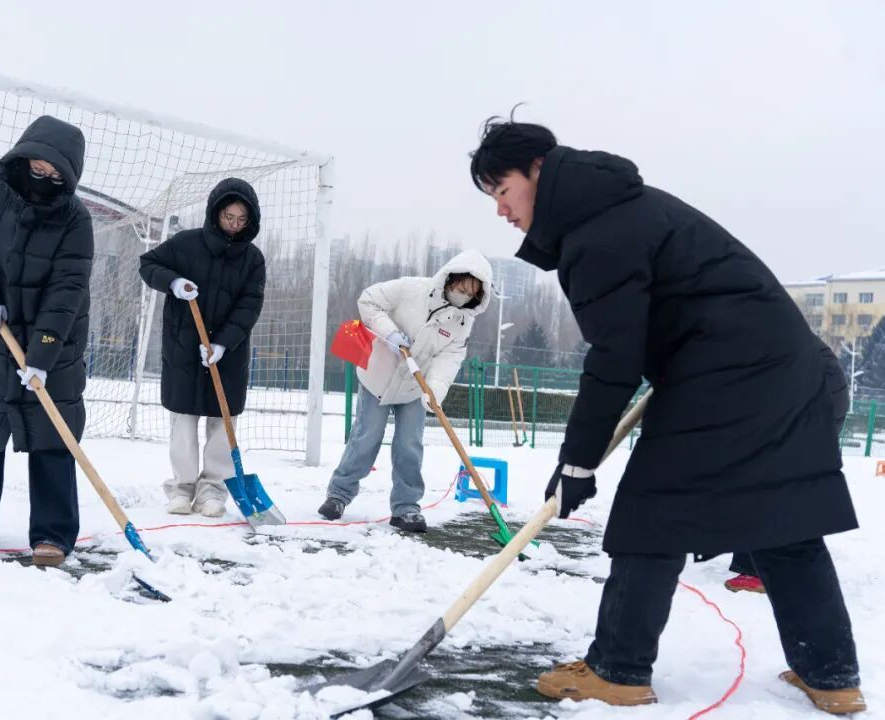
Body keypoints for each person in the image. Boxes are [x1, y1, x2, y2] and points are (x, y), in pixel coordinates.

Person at [470, 116, 865, 714]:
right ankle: (832, 675)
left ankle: (617, 669)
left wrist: (577, 459)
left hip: (727, 378)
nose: (501, 210)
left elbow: (615, 355)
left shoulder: (598, 232)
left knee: (651, 515)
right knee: (784, 520)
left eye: (502, 190)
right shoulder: (629, 207)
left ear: (540, 170)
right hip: (787, 370)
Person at [0, 115, 93, 568]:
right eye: (37, 169)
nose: (43, 179)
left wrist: (43, 354)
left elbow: (67, 291)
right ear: (22, 159)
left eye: (55, 175)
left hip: (57, 339)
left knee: (52, 430)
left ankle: (53, 532)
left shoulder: (76, 219)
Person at [317, 250, 492, 532]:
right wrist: (390, 333)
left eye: (470, 295)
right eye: (461, 289)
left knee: (409, 445)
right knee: (366, 438)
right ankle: (338, 495)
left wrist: (435, 389)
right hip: (379, 377)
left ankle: (406, 508)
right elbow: (369, 300)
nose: (463, 296)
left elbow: (450, 358)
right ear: (450, 279)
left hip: (414, 386)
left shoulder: (462, 322)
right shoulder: (412, 289)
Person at [139, 178, 265, 518]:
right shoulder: (185, 244)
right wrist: (175, 284)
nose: (235, 225)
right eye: (229, 217)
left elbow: (250, 305)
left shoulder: (252, 259)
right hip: (183, 349)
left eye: (242, 220)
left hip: (229, 353)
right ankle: (181, 489)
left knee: (222, 425)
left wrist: (223, 343)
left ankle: (212, 490)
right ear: (216, 212)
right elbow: (148, 265)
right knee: (183, 422)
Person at [725, 348, 850, 594]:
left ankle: (759, 571)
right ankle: (779, 565)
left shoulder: (747, 332)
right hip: (814, 395)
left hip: (810, 396)